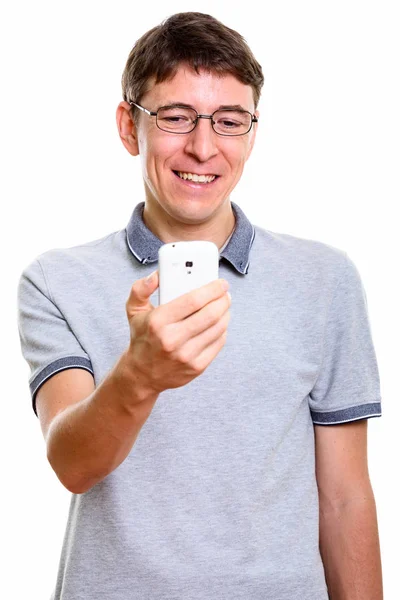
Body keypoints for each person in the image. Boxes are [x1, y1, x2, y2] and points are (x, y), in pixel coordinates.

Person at [17, 11, 383, 600]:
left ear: (253, 133)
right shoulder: (57, 281)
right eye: (176, 117)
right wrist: (138, 377)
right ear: (129, 127)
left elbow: (344, 499)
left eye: (229, 120)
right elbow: (72, 466)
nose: (203, 146)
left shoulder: (326, 280)